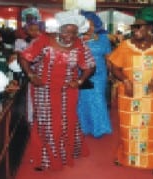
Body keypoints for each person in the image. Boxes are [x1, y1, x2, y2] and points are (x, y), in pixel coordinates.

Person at [108, 7, 153, 175]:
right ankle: (126, 156)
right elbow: (114, 66)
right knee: (128, 127)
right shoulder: (125, 45)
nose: (135, 30)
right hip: (129, 93)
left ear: (151, 28)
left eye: (139, 26)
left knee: (152, 128)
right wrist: (125, 80)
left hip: (152, 95)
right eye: (134, 26)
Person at [19, 9, 95, 170]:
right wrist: (31, 75)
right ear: (59, 29)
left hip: (68, 91)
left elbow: (90, 66)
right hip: (44, 89)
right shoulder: (44, 40)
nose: (70, 36)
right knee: (46, 123)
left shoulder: (80, 45)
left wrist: (80, 80)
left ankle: (66, 153)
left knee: (67, 122)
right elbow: (24, 57)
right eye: (66, 31)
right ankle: (45, 159)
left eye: (74, 33)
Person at [77, 10, 112, 138]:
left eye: (92, 25)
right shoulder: (76, 38)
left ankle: (100, 128)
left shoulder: (103, 38)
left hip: (99, 74)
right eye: (87, 25)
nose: (90, 28)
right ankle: (84, 127)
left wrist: (112, 73)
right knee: (83, 99)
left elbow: (109, 57)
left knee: (97, 99)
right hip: (82, 73)